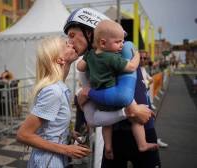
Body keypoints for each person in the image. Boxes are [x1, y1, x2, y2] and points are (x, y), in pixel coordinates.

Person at [63, 8, 161, 168]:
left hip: (141, 130)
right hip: (114, 133)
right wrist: (128, 111)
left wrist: (89, 92)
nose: (69, 42)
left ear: (89, 34)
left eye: (73, 35)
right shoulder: (86, 66)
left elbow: (123, 96)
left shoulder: (125, 47)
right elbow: (92, 118)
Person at [16, 36, 92, 168]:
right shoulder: (54, 91)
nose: (71, 44)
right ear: (60, 59)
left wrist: (68, 133)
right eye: (66, 45)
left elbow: (48, 128)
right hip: (47, 162)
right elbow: (23, 135)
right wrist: (66, 149)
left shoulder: (59, 88)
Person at [140, 50, 169, 148]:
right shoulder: (135, 69)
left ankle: (152, 139)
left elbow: (150, 79)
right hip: (141, 100)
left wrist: (147, 82)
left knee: (149, 121)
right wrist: (146, 83)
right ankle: (151, 140)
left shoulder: (143, 68)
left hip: (146, 97)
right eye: (141, 58)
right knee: (147, 121)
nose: (143, 60)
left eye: (145, 58)